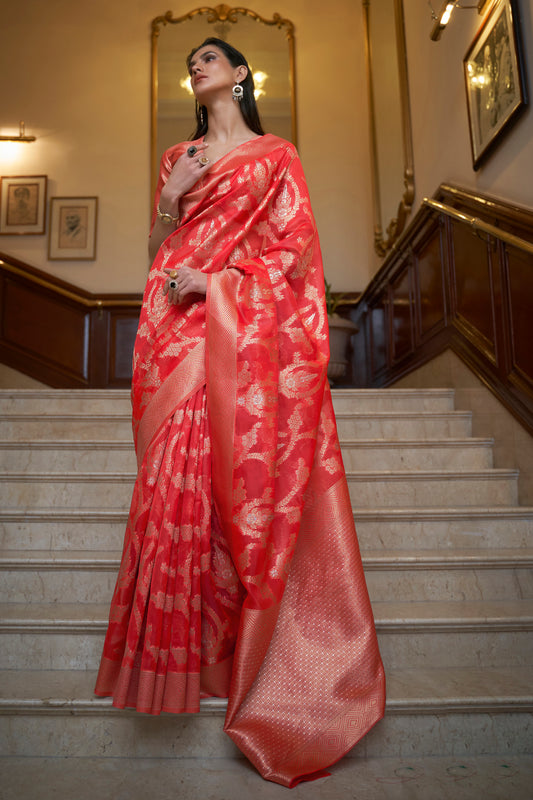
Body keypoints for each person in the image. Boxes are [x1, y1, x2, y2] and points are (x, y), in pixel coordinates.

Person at [95, 37, 385, 787]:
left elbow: (294, 253)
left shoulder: (276, 156)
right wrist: (168, 200)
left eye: (210, 57)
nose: (196, 66)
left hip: (229, 326)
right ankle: (167, 663)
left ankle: (243, 660)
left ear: (241, 74)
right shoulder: (177, 158)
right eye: (189, 61)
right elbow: (158, 251)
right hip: (172, 332)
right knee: (172, 484)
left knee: (228, 486)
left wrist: (218, 280)